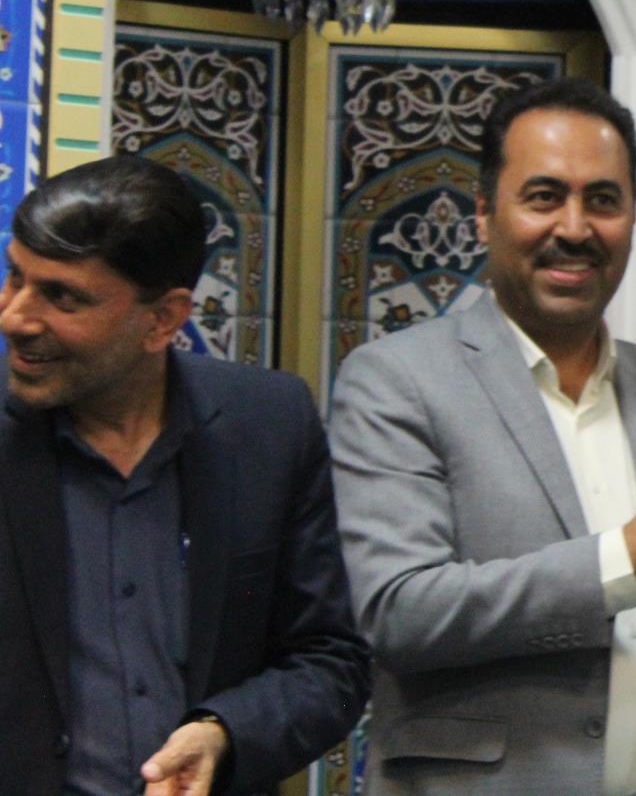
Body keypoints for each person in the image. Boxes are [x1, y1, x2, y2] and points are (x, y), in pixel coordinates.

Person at [328, 78, 636, 796]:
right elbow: (400, 612)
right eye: (544, 197)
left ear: (633, 216)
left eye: (603, 200)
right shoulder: (396, 381)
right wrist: (623, 557)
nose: (575, 228)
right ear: (484, 213)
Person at [0, 154, 370, 796]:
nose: (15, 317)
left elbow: (332, 664)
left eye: (62, 297)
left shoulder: (269, 426)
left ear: (164, 319)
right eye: (15, 277)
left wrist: (225, 732)